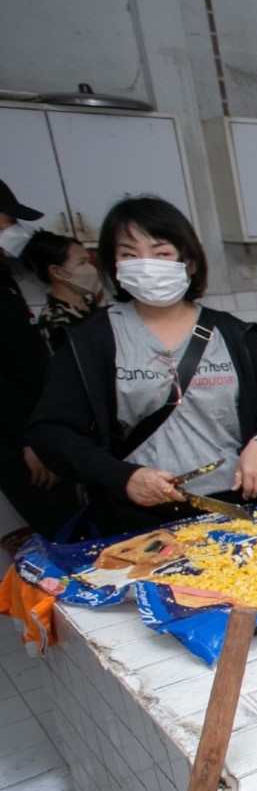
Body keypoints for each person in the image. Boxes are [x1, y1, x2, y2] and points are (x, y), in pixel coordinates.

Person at [28, 196, 257, 537]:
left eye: (161, 253)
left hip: (234, 506)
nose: (146, 264)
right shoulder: (92, 340)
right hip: (138, 518)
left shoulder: (231, 332)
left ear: (189, 262)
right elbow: (50, 432)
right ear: (114, 265)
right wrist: (121, 477)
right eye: (129, 254)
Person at [1, 181, 78, 538]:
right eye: (6, 221)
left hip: (39, 429)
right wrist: (27, 441)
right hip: (21, 440)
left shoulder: (3, 275)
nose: (14, 231)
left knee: (70, 523)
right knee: (59, 531)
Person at [20, 230, 100, 353]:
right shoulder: (56, 323)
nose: (91, 268)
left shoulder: (89, 306)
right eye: (82, 262)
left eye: (89, 261)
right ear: (57, 272)